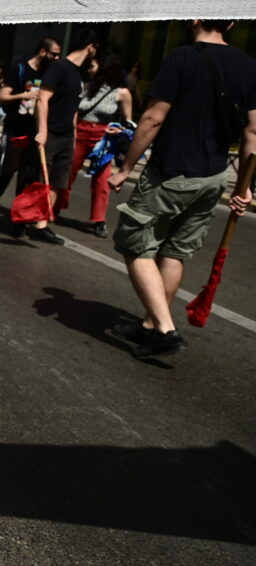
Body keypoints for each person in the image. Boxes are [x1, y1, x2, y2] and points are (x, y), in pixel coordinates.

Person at [107, 20, 256, 359]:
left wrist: (126, 168)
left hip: (171, 172)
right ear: (231, 22)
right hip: (214, 176)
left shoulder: (180, 58)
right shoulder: (249, 66)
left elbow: (153, 118)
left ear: (194, 17)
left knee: (135, 244)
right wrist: (245, 185)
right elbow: (253, 130)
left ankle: (165, 330)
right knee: (173, 251)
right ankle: (148, 325)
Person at [0, 37, 61, 216]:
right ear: (42, 52)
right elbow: (2, 97)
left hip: (35, 131)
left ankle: (19, 214)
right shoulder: (20, 69)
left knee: (26, 175)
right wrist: (22, 96)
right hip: (15, 128)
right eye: (54, 54)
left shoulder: (51, 74)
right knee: (8, 169)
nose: (56, 58)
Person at [32, 28, 99, 245]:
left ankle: (41, 224)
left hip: (67, 135)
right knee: (42, 179)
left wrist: (74, 133)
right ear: (90, 48)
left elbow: (73, 107)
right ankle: (29, 218)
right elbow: (42, 99)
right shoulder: (59, 67)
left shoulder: (78, 73)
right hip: (50, 132)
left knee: (59, 182)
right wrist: (42, 131)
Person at [58, 56, 133, 237]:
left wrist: (119, 130)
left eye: (92, 66)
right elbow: (74, 111)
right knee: (67, 174)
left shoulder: (121, 93)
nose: (89, 69)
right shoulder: (85, 87)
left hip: (102, 138)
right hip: (79, 134)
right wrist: (73, 130)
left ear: (103, 68)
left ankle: (98, 220)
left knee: (102, 181)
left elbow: (129, 123)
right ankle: (56, 207)